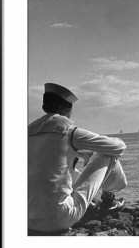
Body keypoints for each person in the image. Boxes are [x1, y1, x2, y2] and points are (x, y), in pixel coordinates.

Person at [28, 83, 128, 233]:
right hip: (59, 218)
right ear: (67, 108)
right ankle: (109, 200)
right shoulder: (69, 131)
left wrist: (78, 152)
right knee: (107, 154)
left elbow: (49, 158)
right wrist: (91, 148)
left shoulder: (28, 132)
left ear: (44, 107)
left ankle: (93, 202)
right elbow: (118, 147)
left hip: (28, 219)